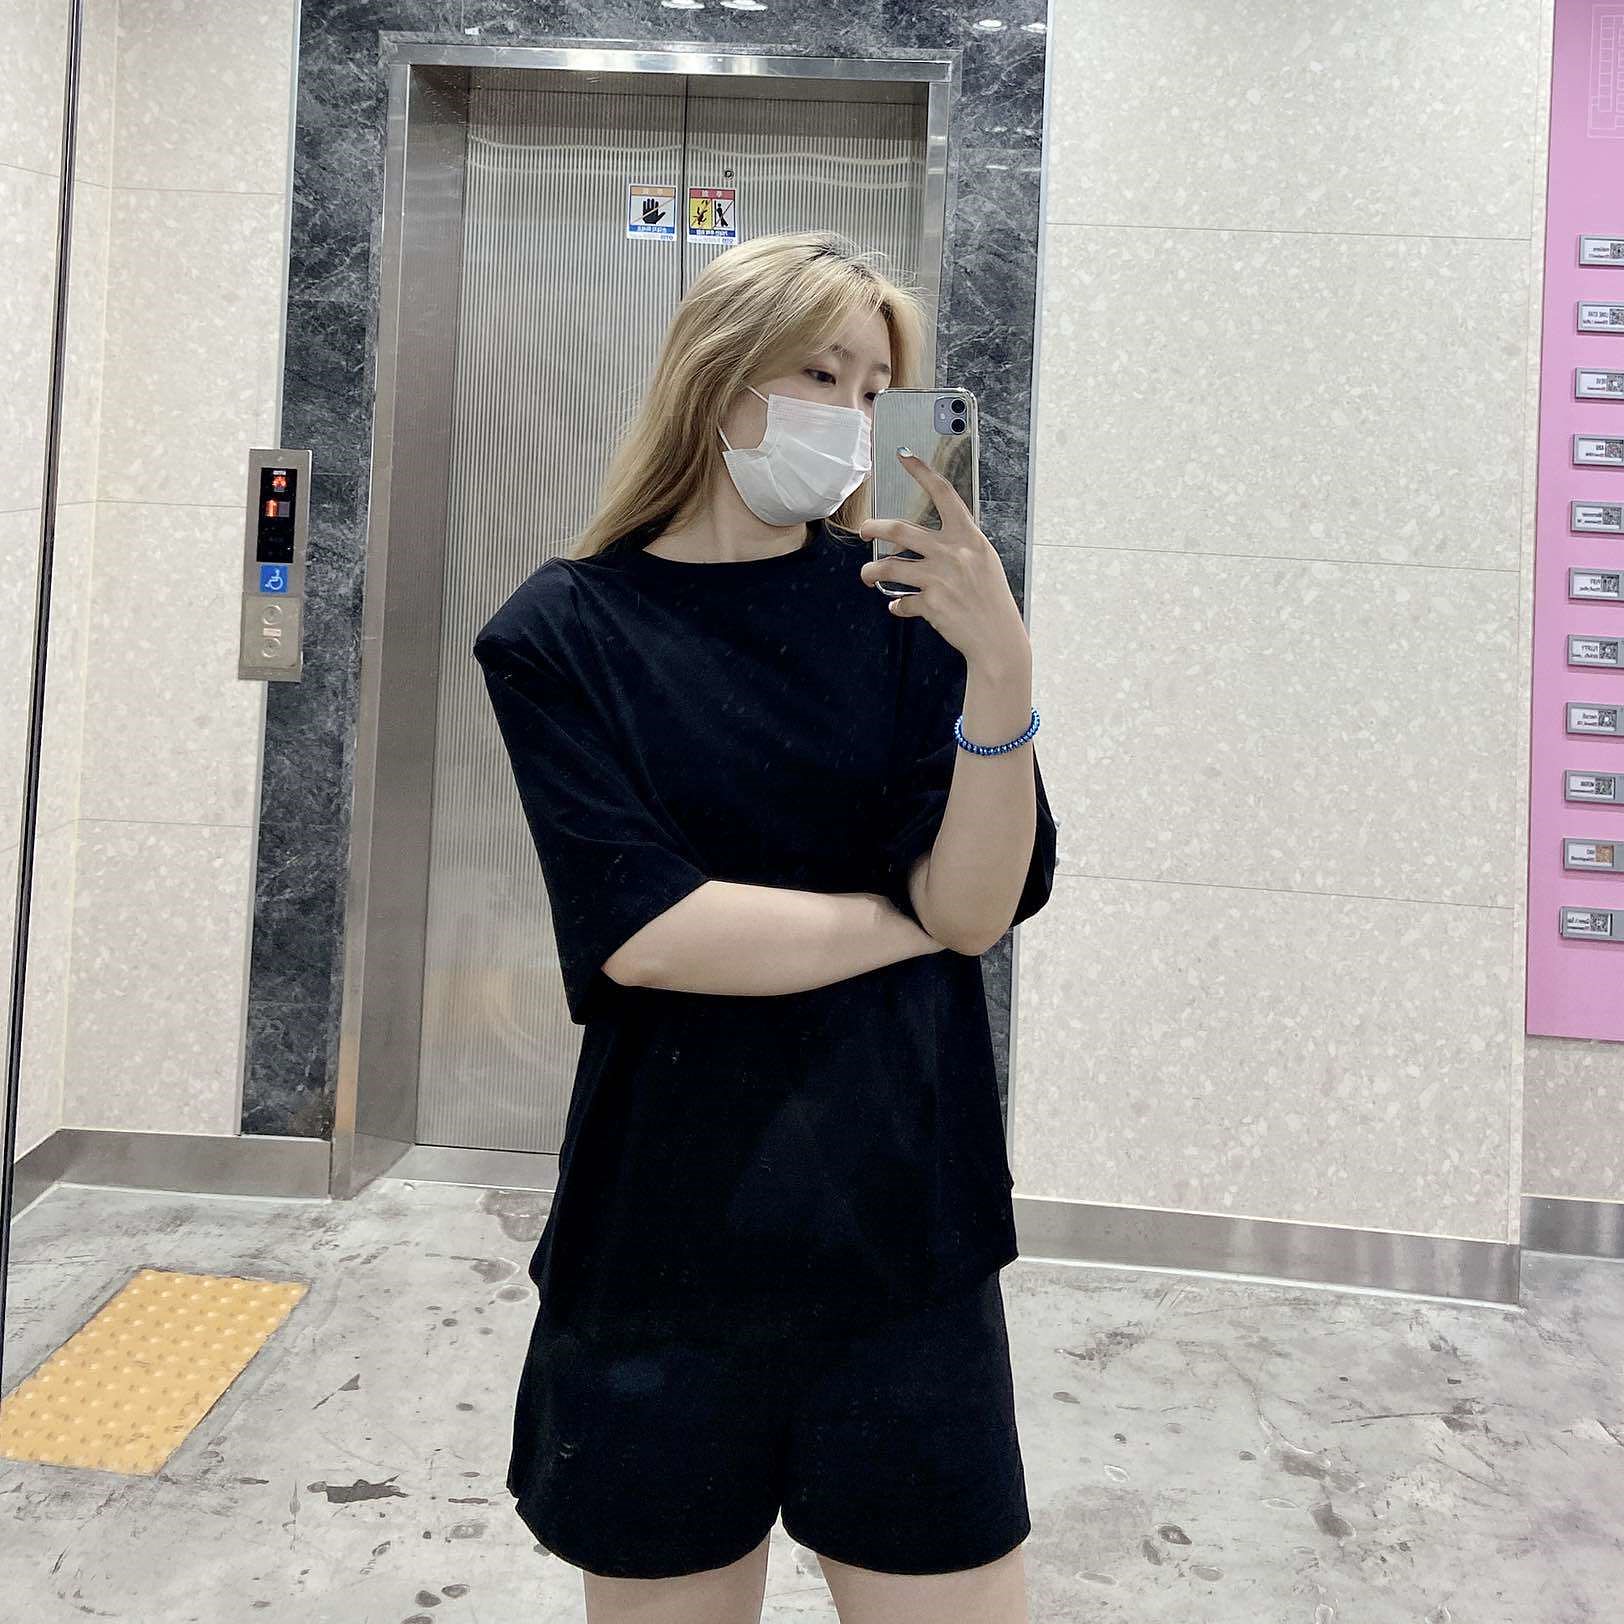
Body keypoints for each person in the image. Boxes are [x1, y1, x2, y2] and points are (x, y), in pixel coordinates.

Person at [473, 229, 1057, 1624]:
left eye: (877, 389)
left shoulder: (904, 615)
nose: (852, 416)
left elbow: (979, 902)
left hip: (901, 1226)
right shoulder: (561, 631)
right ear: (717, 378)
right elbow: (653, 934)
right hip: (664, 1237)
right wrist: (910, 923)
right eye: (821, 373)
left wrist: (1002, 669)